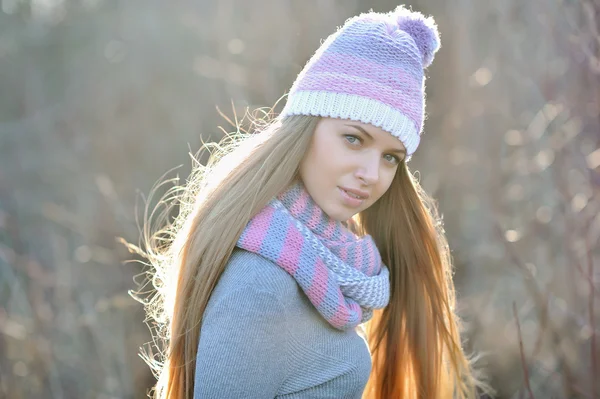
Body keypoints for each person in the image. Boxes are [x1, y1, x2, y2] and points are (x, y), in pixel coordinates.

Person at [137, 5, 489, 399]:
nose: (372, 174)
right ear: (305, 128)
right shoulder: (261, 285)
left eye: (391, 157)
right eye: (353, 139)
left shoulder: (327, 262)